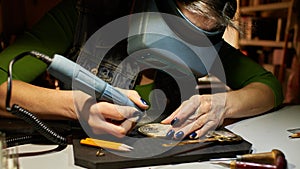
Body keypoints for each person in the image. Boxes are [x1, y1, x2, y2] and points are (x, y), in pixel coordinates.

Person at [0, 0, 283, 141]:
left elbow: (268, 86)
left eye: (197, 41)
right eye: (176, 33)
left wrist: (224, 105)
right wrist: (77, 106)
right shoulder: (80, 17)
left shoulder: (207, 46)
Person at [160, 0, 284, 140]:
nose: (191, 48)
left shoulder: (211, 51)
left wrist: (221, 105)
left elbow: (270, 87)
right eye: (182, 31)